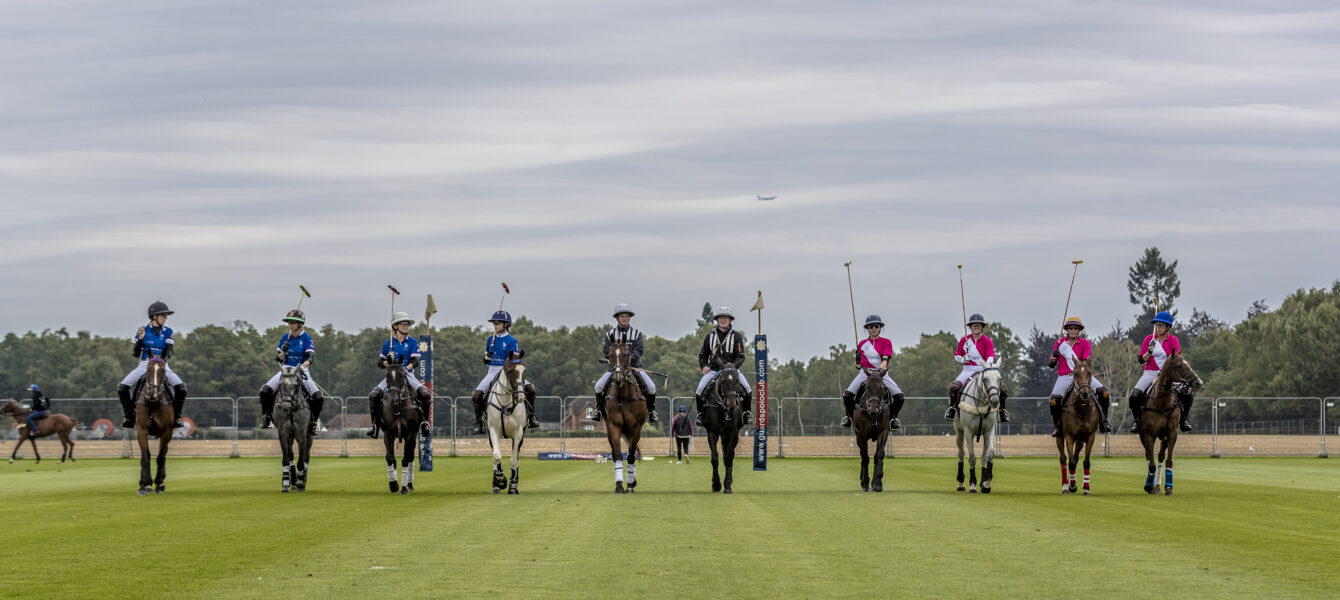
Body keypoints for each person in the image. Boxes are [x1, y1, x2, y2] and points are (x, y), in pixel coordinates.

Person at [117, 301, 188, 428]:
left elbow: (170, 351)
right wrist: (140, 339)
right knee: (122, 387)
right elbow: (135, 353)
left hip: (162, 364)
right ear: (154, 316)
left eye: (166, 316)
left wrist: (161, 360)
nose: (165, 318)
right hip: (145, 364)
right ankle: (129, 417)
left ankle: (177, 417)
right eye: (163, 316)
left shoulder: (168, 331)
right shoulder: (142, 330)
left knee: (181, 388)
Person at [258, 309, 326, 436]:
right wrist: (283, 351)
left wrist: (303, 367)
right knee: (264, 390)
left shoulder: (306, 338)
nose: (290, 325)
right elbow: (279, 359)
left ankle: (313, 423)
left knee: (318, 397)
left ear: (300, 324)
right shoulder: (285, 338)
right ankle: (266, 417)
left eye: (293, 322)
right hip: (285, 370)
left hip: (301, 370)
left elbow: (310, 358)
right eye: (289, 322)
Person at [471, 310, 539, 434]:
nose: (495, 325)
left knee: (531, 390)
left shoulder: (512, 341)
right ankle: (479, 422)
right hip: (492, 372)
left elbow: (514, 361)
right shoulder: (490, 340)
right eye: (494, 323)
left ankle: (531, 417)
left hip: (508, 371)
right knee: (476, 395)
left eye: (497, 323)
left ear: (506, 325)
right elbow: (486, 362)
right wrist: (487, 356)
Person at [366, 312, 432, 439]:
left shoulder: (412, 342)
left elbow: (415, 361)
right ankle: (374, 425)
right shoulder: (388, 343)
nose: (406, 326)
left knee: (425, 394)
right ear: (396, 326)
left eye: (407, 324)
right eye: (403, 324)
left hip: (408, 373)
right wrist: (388, 361)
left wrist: (407, 368)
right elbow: (380, 363)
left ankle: (424, 423)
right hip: (392, 376)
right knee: (373, 395)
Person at [592, 303, 658, 423]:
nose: (625, 318)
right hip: (614, 369)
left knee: (652, 387)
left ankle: (651, 411)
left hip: (635, 367)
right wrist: (614, 361)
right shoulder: (609, 334)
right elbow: (607, 351)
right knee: (599, 386)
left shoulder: (636, 333)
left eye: (627, 316)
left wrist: (630, 359)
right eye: (622, 316)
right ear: (617, 318)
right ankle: (599, 411)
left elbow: (639, 350)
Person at [1047, 316, 1111, 437]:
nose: (1073, 330)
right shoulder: (1060, 343)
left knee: (1105, 393)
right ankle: (1057, 426)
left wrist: (1080, 370)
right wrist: (1054, 356)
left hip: (1082, 376)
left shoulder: (1085, 343)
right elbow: (1051, 364)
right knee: (1053, 401)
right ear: (1066, 330)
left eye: (1075, 328)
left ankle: (1104, 421)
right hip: (1065, 376)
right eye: (1070, 328)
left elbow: (1086, 360)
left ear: (1079, 330)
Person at [1128, 310, 1191, 433]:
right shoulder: (1149, 340)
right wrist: (1149, 353)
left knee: (1187, 392)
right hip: (1150, 372)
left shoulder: (1173, 340)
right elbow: (1141, 359)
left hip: (1168, 375)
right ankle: (1137, 421)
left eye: (1161, 325)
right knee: (1134, 395)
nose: (1158, 327)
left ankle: (1184, 419)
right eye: (1156, 324)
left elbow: (1175, 358)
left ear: (1168, 327)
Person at [841, 315, 906, 431]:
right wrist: (857, 361)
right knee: (847, 395)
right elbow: (858, 366)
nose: (874, 328)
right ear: (867, 328)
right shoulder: (861, 344)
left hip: (881, 374)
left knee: (900, 396)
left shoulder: (886, 342)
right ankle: (849, 417)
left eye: (876, 326)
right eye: (871, 326)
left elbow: (885, 359)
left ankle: (893, 419)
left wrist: (880, 370)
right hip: (865, 374)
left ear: (880, 327)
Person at [693, 306, 753, 427]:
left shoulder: (736, 336)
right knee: (699, 390)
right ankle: (701, 414)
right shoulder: (710, 336)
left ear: (730, 320)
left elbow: (741, 356)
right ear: (717, 320)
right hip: (714, 371)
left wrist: (732, 368)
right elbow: (703, 354)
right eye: (721, 318)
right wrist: (704, 366)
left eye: (725, 318)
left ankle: (746, 413)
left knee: (747, 389)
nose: (723, 320)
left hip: (732, 371)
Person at [944, 313, 1010, 422]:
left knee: (1002, 390)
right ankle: (952, 409)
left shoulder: (987, 340)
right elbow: (957, 355)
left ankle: (1002, 411)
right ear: (970, 327)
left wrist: (987, 366)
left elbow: (990, 356)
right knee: (954, 387)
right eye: (973, 325)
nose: (976, 327)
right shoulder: (964, 340)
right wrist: (964, 359)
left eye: (978, 325)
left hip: (983, 368)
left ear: (982, 327)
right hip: (967, 369)